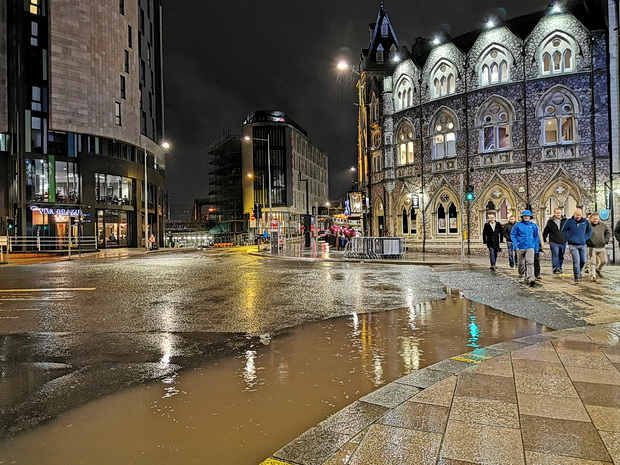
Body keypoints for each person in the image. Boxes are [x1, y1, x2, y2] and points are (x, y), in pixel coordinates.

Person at [561, 208, 592, 284]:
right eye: (577, 215)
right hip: (573, 245)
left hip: (583, 244)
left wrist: (585, 238)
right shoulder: (569, 221)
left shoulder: (585, 222)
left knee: (583, 261)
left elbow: (589, 230)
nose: (578, 216)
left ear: (582, 215)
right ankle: (577, 277)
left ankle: (579, 271)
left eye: (580, 215)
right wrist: (569, 238)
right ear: (574, 214)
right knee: (576, 261)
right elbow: (563, 231)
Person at [511, 209, 540, 287]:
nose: (527, 217)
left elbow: (536, 236)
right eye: (525, 216)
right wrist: (516, 244)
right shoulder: (517, 225)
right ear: (522, 217)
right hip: (520, 246)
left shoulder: (533, 226)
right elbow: (513, 235)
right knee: (521, 262)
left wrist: (536, 247)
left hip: (530, 246)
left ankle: (531, 278)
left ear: (530, 217)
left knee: (530, 262)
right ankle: (521, 275)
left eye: (528, 216)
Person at [542, 208, 567, 274]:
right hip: (554, 241)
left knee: (561, 255)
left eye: (559, 213)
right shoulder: (550, 222)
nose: (558, 214)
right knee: (555, 254)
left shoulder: (565, 221)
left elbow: (569, 230)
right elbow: (546, 231)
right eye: (557, 213)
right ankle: (555, 268)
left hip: (563, 241)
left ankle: (560, 267)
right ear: (554, 213)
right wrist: (544, 239)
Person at [586, 212, 610, 281]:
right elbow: (584, 234)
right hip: (591, 247)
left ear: (599, 218)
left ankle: (598, 270)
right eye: (593, 219)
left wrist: (605, 240)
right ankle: (592, 276)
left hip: (601, 246)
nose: (595, 220)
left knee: (604, 261)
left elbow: (607, 233)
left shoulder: (603, 225)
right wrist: (587, 241)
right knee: (592, 262)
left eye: (596, 219)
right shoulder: (588, 226)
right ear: (590, 219)